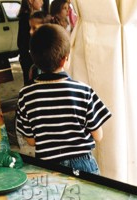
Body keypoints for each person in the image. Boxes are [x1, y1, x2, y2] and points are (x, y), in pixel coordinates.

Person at [16, 24, 112, 175]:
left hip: (47, 167)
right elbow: (98, 136)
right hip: (83, 165)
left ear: (34, 58)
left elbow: (31, 141)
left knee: (56, 199)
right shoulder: (83, 91)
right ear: (65, 59)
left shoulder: (26, 95)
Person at [17, 0, 44, 85]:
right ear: (31, 1)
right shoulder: (26, 18)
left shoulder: (27, 17)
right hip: (30, 59)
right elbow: (22, 43)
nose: (42, 2)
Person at [28, 11, 52, 81]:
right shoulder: (35, 42)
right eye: (30, 27)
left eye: (34, 28)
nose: (30, 31)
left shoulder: (51, 45)